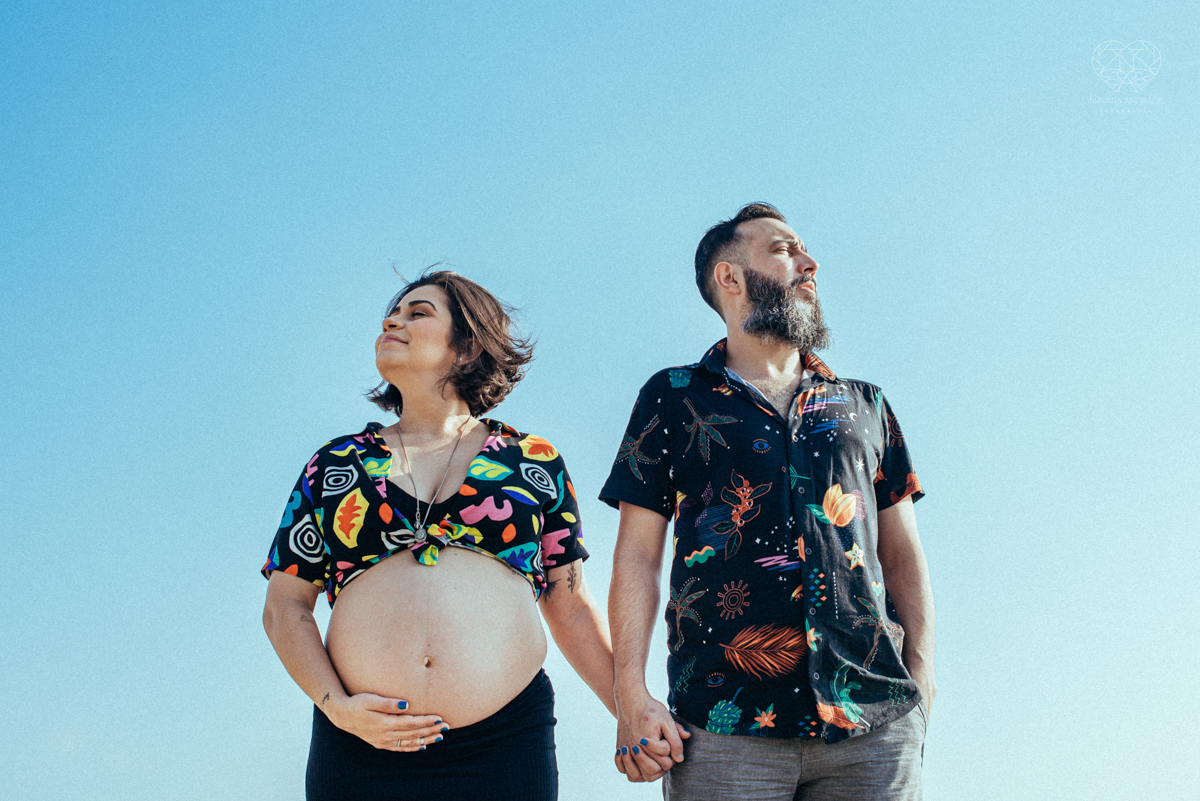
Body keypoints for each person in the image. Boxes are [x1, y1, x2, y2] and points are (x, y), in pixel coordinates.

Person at [601, 203, 935, 799]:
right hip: (722, 721)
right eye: (784, 249)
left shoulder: (867, 404)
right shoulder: (672, 396)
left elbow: (903, 553)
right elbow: (636, 556)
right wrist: (630, 691)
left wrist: (924, 678)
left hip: (875, 722)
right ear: (729, 277)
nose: (809, 263)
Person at [261, 270, 615, 801]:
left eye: (418, 313)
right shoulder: (335, 463)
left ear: (468, 346)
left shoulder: (534, 459)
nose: (392, 321)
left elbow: (570, 605)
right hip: (360, 747)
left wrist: (632, 711)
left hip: (505, 744)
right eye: (392, 314)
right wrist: (339, 709)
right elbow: (285, 606)